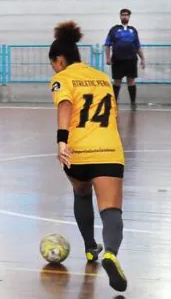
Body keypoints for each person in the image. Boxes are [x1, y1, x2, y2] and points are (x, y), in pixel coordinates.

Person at [49, 20, 127, 292]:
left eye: (53, 63)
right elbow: (114, 118)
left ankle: (91, 248)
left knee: (81, 194)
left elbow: (65, 106)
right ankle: (110, 254)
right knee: (111, 210)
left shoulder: (63, 78)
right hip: (108, 150)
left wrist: (62, 142)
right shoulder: (102, 78)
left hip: (77, 153)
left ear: (59, 59)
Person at [105, 8, 146, 111]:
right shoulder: (114, 29)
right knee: (117, 81)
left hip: (131, 59)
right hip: (117, 59)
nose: (124, 16)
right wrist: (108, 58)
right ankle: (114, 103)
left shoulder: (133, 30)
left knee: (131, 81)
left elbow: (137, 46)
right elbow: (107, 44)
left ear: (129, 17)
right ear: (120, 16)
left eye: (126, 15)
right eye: (123, 15)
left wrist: (142, 58)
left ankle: (133, 103)